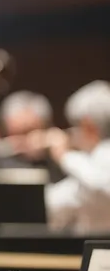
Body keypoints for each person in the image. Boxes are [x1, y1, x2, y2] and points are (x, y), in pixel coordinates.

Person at [45, 81, 110, 232]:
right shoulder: (89, 165)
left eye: (74, 127)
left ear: (88, 126)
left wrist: (64, 156)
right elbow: (59, 202)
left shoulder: (99, 159)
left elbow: (100, 185)